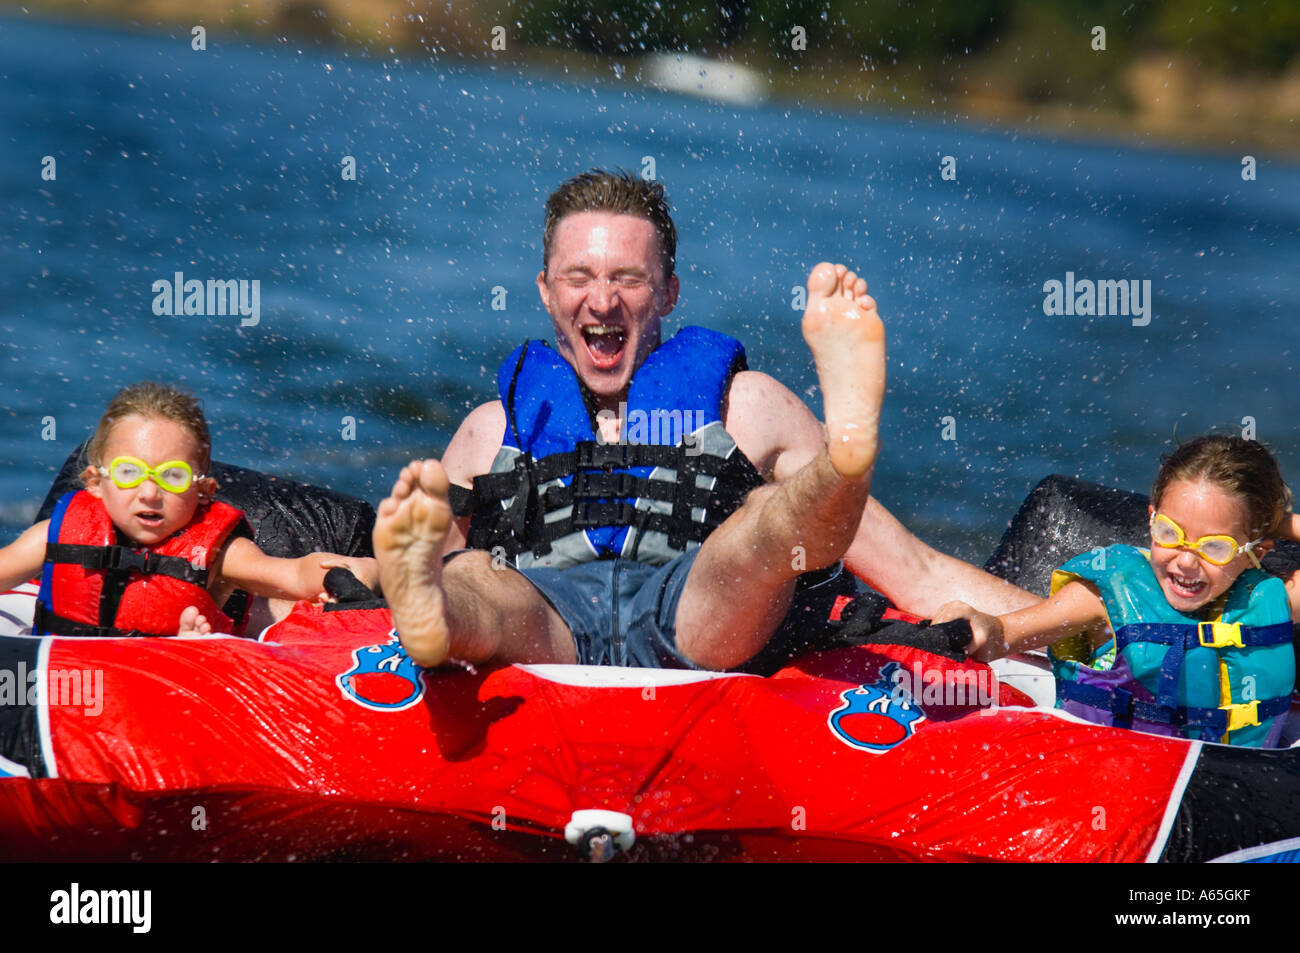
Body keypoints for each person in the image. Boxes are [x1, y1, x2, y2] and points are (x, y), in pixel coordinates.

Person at [373, 169, 1038, 674]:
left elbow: (915, 571)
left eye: (629, 279)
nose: (601, 299)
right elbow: (388, 584)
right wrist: (312, 578)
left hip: (697, 621)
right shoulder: (492, 431)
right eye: (579, 276)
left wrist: (1066, 630)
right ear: (546, 289)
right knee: (471, 578)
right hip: (545, 628)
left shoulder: (746, 407)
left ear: (668, 291)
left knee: (757, 536)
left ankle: (846, 455)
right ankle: (442, 619)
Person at [936, 434, 1299, 746]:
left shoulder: (1272, 600)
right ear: (1152, 519)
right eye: (1170, 533)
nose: (1187, 562)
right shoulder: (1101, 598)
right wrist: (975, 624)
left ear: (1257, 550)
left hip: (1230, 800)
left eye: (1215, 547)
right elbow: (1001, 634)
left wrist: (1273, 523)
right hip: (1109, 784)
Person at [0, 381, 378, 638]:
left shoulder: (222, 554)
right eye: (129, 473)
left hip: (174, 681)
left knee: (331, 582)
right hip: (71, 683)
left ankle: (392, 568)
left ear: (204, 492)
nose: (149, 492)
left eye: (172, 477)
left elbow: (294, 574)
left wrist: (339, 579)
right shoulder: (54, 535)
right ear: (95, 482)